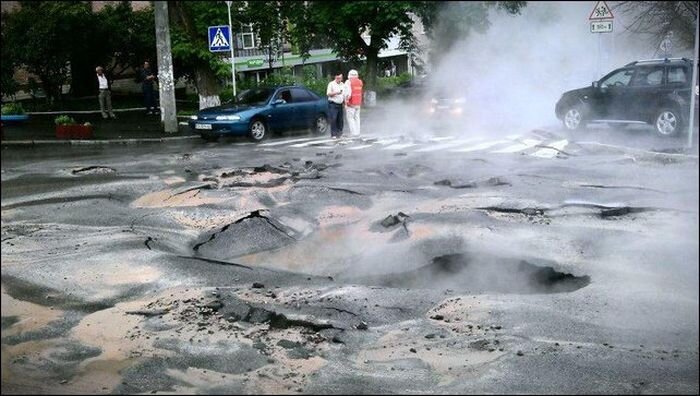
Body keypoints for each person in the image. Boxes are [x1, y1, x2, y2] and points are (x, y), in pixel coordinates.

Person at [344, 69, 363, 137]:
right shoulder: (360, 82)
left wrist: (346, 103)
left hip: (351, 103)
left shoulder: (348, 82)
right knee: (357, 118)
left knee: (350, 118)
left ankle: (354, 133)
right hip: (358, 103)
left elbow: (348, 94)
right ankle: (358, 132)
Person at [326, 72, 346, 138]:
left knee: (340, 119)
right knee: (333, 119)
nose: (339, 79)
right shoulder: (331, 84)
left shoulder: (343, 84)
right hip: (333, 104)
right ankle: (334, 134)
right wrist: (336, 93)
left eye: (340, 78)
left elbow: (344, 94)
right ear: (335, 77)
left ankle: (340, 133)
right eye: (337, 78)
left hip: (340, 104)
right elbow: (328, 94)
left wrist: (345, 102)